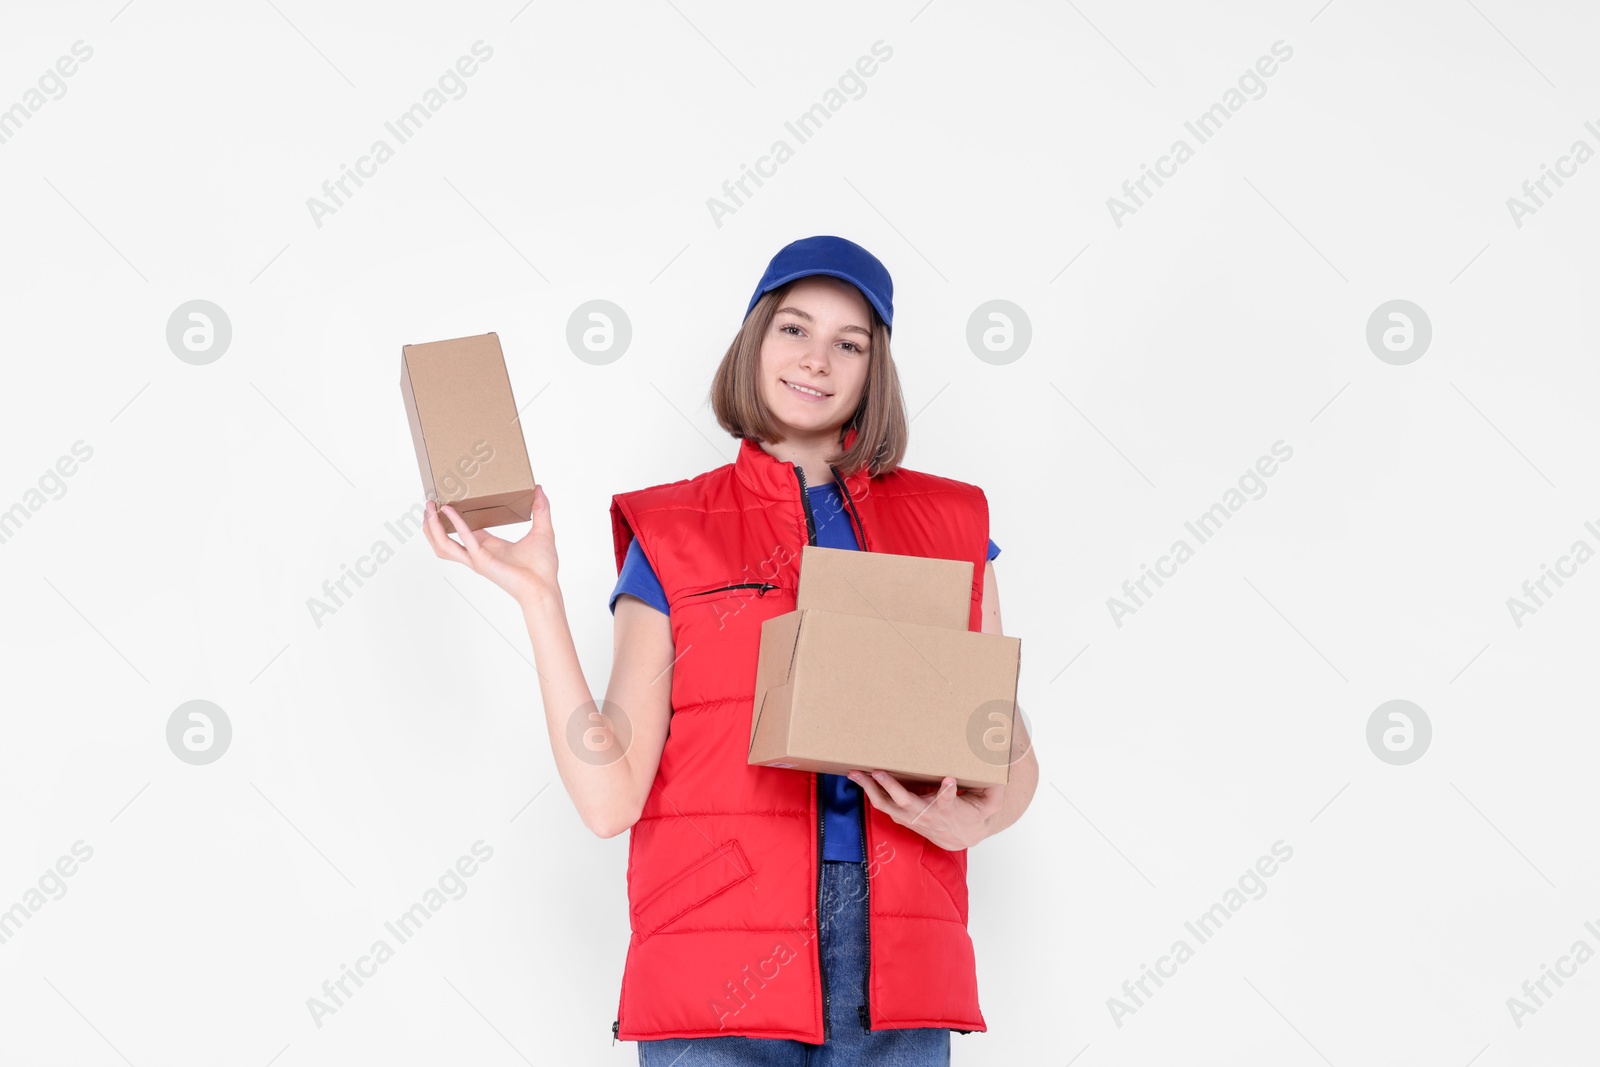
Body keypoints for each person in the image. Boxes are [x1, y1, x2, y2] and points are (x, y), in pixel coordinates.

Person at [424, 235, 1038, 1066]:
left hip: (896, 955)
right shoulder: (675, 531)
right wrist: (538, 596)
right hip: (715, 951)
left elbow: (1007, 752)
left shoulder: (949, 524)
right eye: (794, 328)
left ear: (874, 367)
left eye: (848, 343)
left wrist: (974, 815)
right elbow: (609, 799)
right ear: (755, 339)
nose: (816, 360)